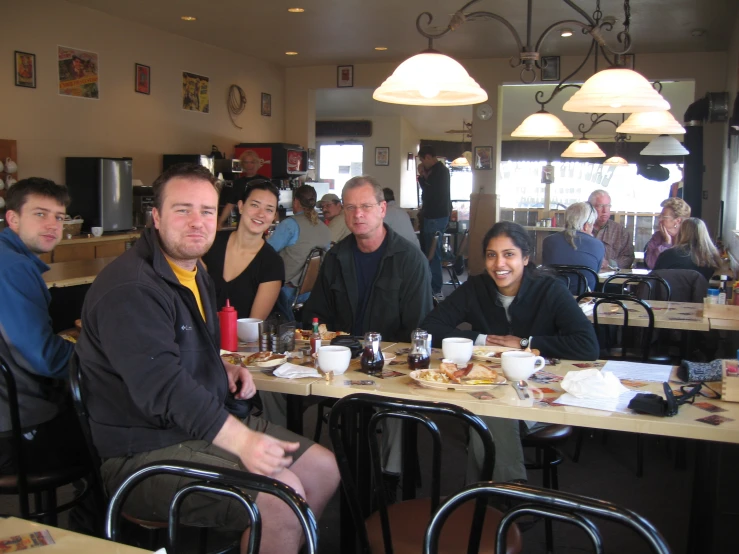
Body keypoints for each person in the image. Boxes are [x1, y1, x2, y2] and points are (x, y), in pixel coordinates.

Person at [75, 164, 339, 553]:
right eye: (183, 210)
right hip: (141, 454)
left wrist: (222, 366)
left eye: (207, 211)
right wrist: (243, 441)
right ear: (157, 217)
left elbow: (181, 351)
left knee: (323, 468)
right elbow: (163, 387)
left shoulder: (194, 271)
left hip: (194, 429)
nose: (197, 222)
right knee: (281, 496)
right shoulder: (132, 288)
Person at [422, 221, 599, 482]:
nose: (499, 264)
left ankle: (495, 498)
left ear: (526, 258)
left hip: (540, 392)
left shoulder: (550, 290)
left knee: (487, 410)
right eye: (491, 255)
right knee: (488, 406)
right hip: (489, 385)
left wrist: (525, 343)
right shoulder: (476, 287)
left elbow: (588, 345)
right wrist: (483, 339)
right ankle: (503, 499)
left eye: (509, 255)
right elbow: (429, 328)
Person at [0, 178, 89, 474]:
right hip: (14, 431)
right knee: (108, 438)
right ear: (13, 218)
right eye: (40, 214)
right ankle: (90, 518)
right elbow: (44, 358)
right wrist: (101, 359)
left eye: (59, 217)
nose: (53, 224)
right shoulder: (14, 267)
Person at [302, 175, 432, 341]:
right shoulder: (335, 258)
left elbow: (417, 330)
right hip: (340, 356)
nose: (358, 214)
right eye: (350, 207)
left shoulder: (411, 261)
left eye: (366, 206)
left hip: (391, 359)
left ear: (382, 209)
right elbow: (316, 315)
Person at [202, 180, 284, 319]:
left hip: (240, 340)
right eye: (254, 205)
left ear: (274, 217)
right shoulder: (209, 243)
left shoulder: (272, 263)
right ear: (241, 206)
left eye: (269, 209)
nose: (260, 214)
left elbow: (253, 325)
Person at [268, 185, 331, 320]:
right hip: (311, 292)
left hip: (286, 291)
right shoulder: (324, 228)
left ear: (296, 202)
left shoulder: (290, 225)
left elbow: (267, 251)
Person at [542, 202, 604, 292]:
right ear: (586, 226)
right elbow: (595, 273)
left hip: (552, 299)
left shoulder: (548, 241)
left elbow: (546, 269)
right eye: (592, 225)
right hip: (583, 300)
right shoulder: (597, 245)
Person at [417, 146, 451, 300]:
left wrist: (422, 175)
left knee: (432, 254)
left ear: (429, 157)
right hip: (437, 216)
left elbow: (429, 191)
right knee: (432, 252)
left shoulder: (439, 172)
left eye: (423, 159)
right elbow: (427, 191)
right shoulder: (439, 171)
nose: (422, 163)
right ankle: (433, 286)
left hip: (435, 217)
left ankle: (435, 289)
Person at [653, 217, 721, 281]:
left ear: (681, 234)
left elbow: (654, 278)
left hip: (670, 293)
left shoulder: (667, 255)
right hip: (699, 293)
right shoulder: (711, 258)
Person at [218, 150, 270, 228]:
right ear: (242, 164)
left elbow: (272, 206)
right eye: (246, 162)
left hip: (261, 222)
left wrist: (276, 223)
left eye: (252, 162)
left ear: (256, 163)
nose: (249, 165)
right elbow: (230, 205)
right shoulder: (238, 183)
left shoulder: (265, 181)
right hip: (243, 224)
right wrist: (220, 222)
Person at [588, 189, 634, 270]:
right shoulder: (583, 228)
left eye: (608, 206)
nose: (605, 210)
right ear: (591, 208)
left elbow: (628, 257)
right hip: (586, 275)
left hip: (612, 279)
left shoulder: (619, 230)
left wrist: (609, 264)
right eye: (600, 206)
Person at [644, 197, 691, 269]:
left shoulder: (689, 238)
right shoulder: (657, 237)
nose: (660, 220)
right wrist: (666, 244)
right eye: (660, 216)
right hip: (661, 279)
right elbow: (651, 265)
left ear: (678, 220)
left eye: (664, 217)